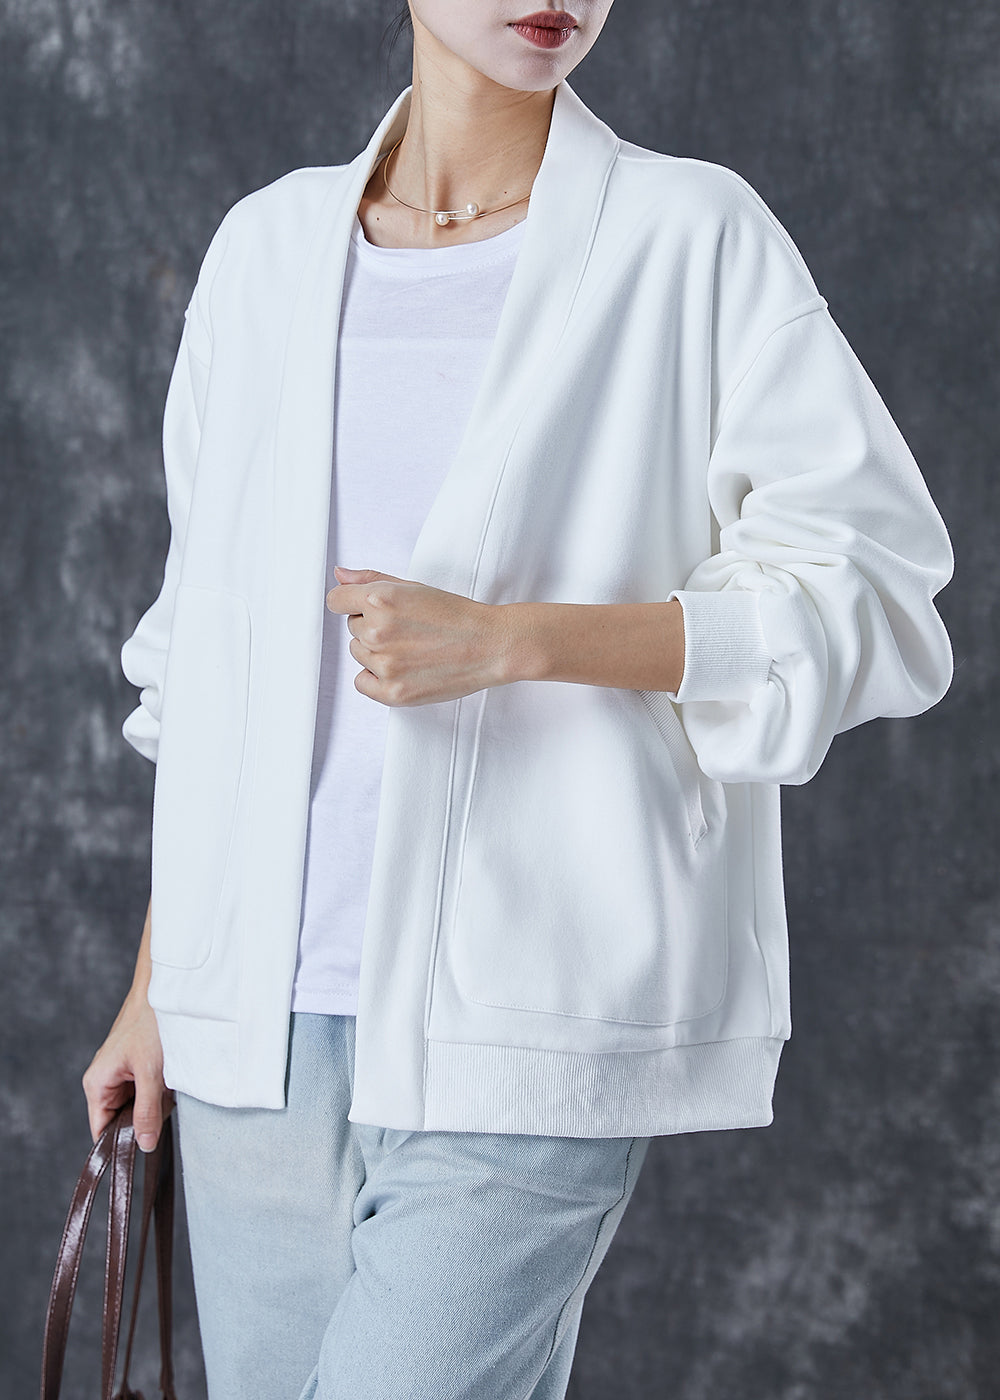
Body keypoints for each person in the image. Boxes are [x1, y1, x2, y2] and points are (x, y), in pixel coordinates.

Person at [82, 3, 954, 1397]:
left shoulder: (692, 236)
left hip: (529, 1016)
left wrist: (515, 642)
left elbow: (871, 592)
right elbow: (210, 660)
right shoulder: (265, 251)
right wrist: (157, 988)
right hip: (253, 1026)